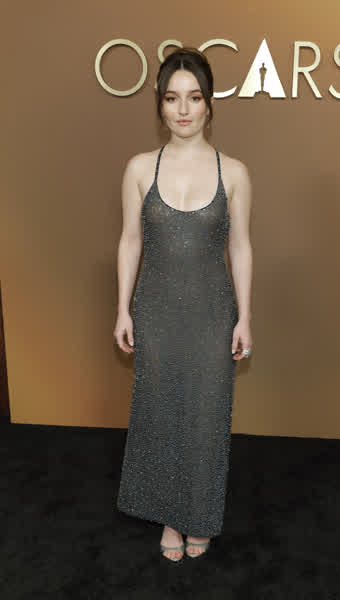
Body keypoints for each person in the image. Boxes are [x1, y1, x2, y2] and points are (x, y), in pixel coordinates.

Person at [113, 47, 253, 562]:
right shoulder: (138, 168)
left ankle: (201, 517)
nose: (183, 109)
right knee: (161, 414)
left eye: (194, 97)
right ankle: (172, 517)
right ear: (160, 105)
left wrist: (246, 316)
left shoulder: (234, 172)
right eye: (172, 98)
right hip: (156, 313)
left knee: (206, 417)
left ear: (209, 103)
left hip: (213, 315)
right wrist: (123, 309)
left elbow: (241, 247)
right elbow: (130, 241)